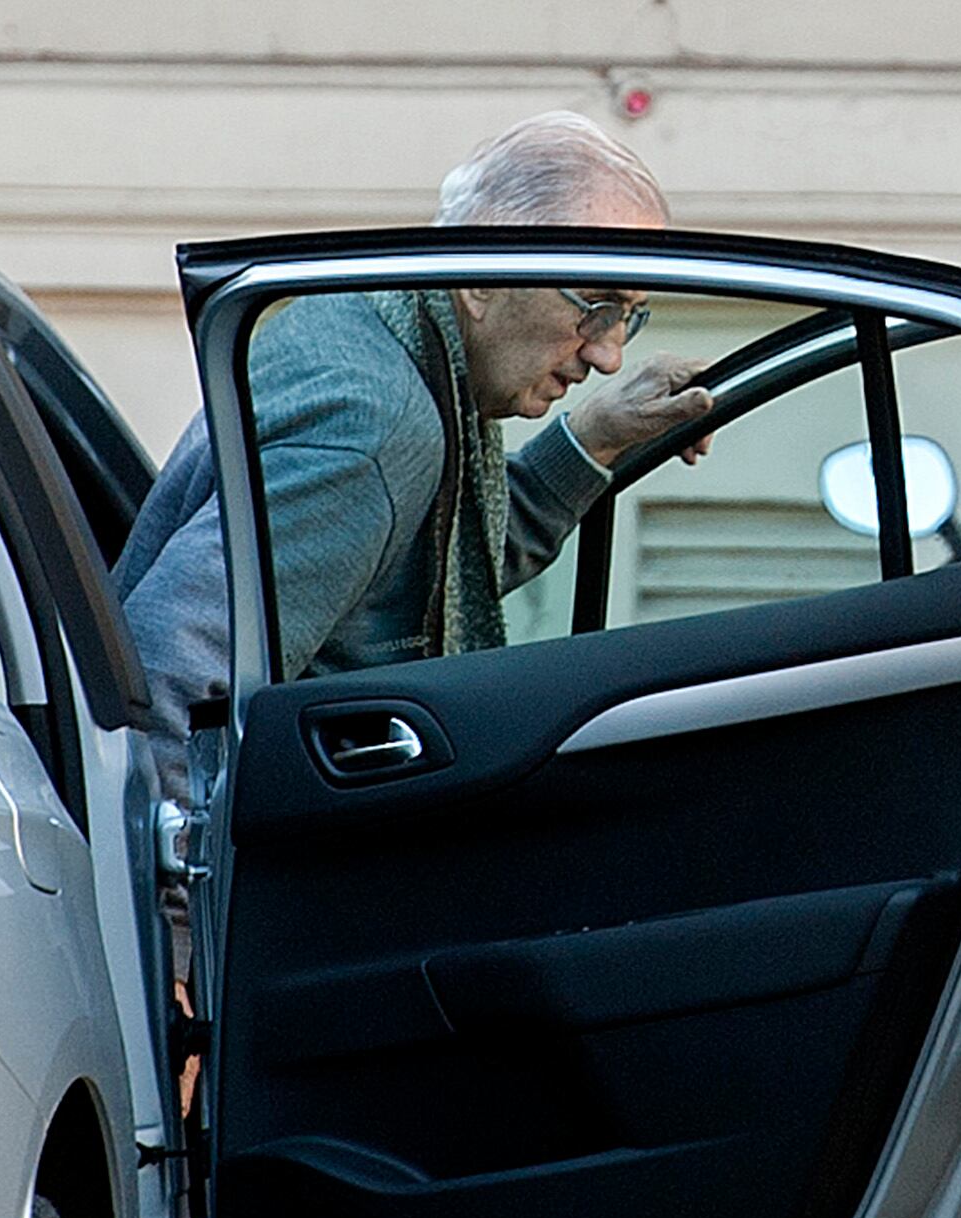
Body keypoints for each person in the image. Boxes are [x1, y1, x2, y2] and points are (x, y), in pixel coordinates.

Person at [114, 111, 715, 811]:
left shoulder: (399, 340)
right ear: (482, 278)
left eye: (629, 316)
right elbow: (168, 673)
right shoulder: (373, 423)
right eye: (596, 305)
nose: (608, 352)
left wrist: (596, 439)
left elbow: (418, 558)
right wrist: (180, 905)